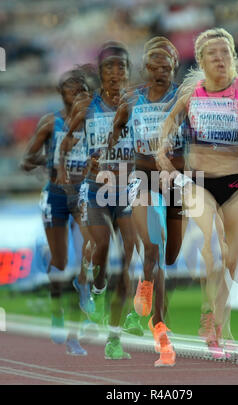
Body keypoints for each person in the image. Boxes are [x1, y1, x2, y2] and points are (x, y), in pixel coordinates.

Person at [157, 28, 238, 359]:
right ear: (201, 60)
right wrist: (163, 153)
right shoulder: (191, 95)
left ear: (233, 57)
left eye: (225, 52)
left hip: (236, 182)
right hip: (199, 181)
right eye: (213, 54)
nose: (220, 59)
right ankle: (215, 329)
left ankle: (217, 325)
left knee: (232, 262)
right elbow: (166, 128)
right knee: (213, 248)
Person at [109, 36, 184, 367]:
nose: (159, 72)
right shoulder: (132, 99)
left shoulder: (183, 98)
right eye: (152, 66)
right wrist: (108, 154)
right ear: (145, 68)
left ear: (173, 69)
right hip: (142, 176)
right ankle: (162, 334)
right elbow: (116, 131)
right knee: (154, 244)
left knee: (168, 255)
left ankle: (147, 279)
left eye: (165, 67)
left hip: (175, 180)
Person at [59, 41, 136, 360]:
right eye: (109, 67)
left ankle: (114, 338)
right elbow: (65, 145)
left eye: (122, 66)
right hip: (96, 191)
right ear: (101, 73)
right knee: (102, 249)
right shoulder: (86, 106)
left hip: (128, 190)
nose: (116, 72)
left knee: (129, 260)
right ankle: (97, 285)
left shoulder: (137, 103)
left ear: (128, 72)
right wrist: (76, 170)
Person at [21, 69, 93, 355]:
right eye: (70, 91)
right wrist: (48, 161)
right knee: (61, 262)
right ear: (61, 94)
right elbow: (27, 160)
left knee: (92, 244)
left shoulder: (93, 123)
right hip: (55, 195)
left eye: (80, 91)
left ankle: (83, 288)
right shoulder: (51, 122)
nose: (75, 96)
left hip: (83, 193)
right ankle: (56, 310)